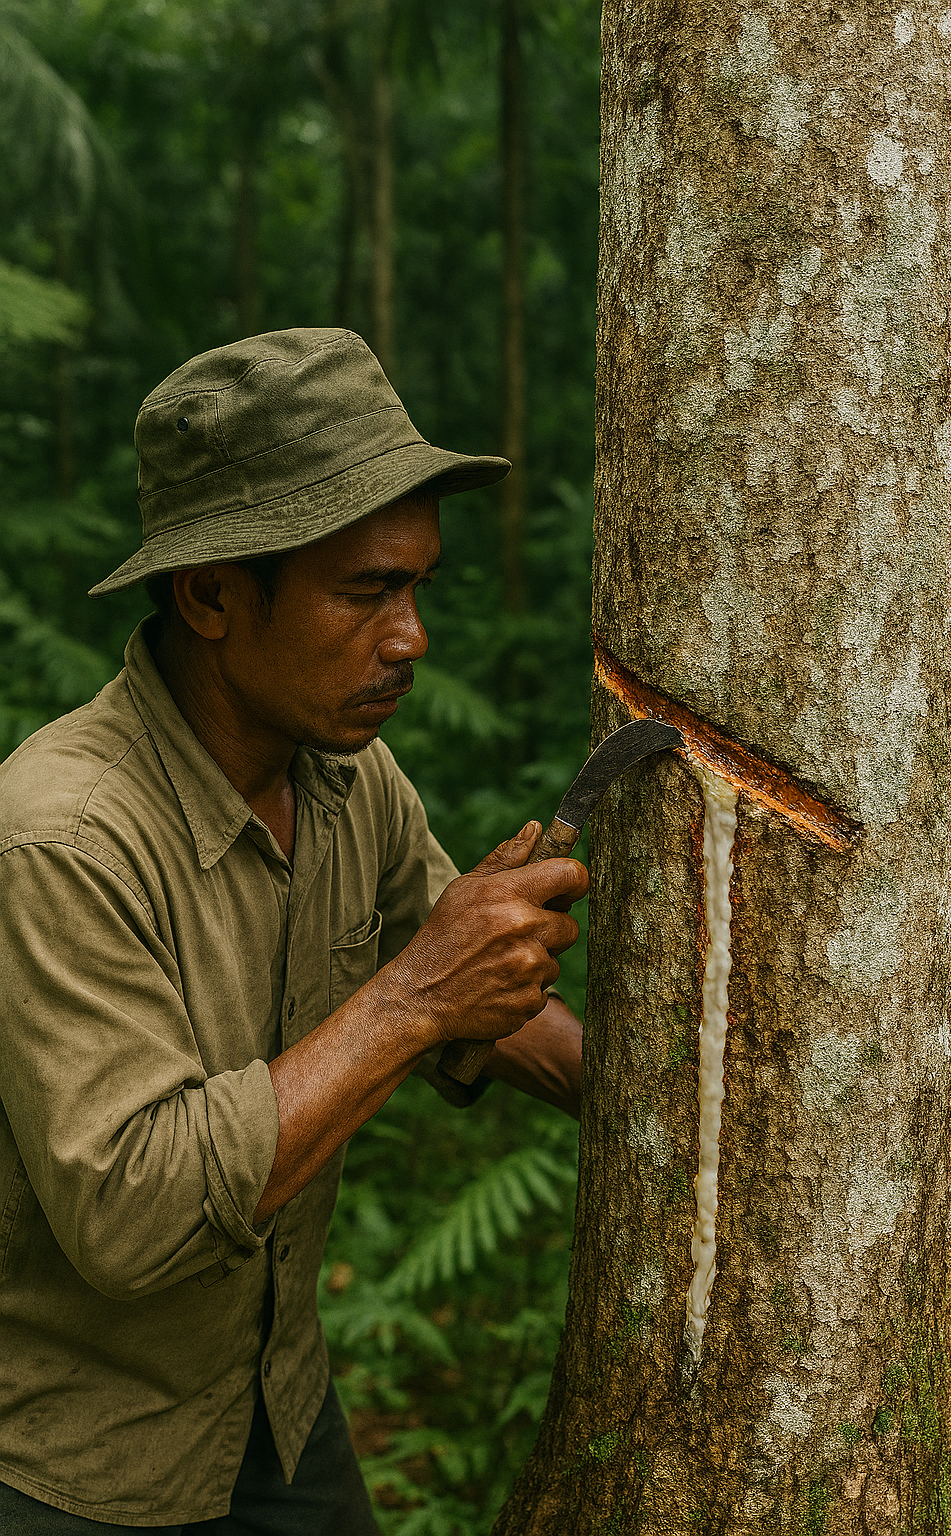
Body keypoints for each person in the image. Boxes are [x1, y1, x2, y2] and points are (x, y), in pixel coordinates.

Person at [0, 329, 587, 1533]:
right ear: (212, 594)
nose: (410, 637)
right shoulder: (60, 841)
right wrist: (417, 995)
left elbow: (482, 1003)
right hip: (70, 1462)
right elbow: (130, 1214)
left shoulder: (345, 782)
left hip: (274, 1405)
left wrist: (680, 1105)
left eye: (417, 586)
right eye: (367, 590)